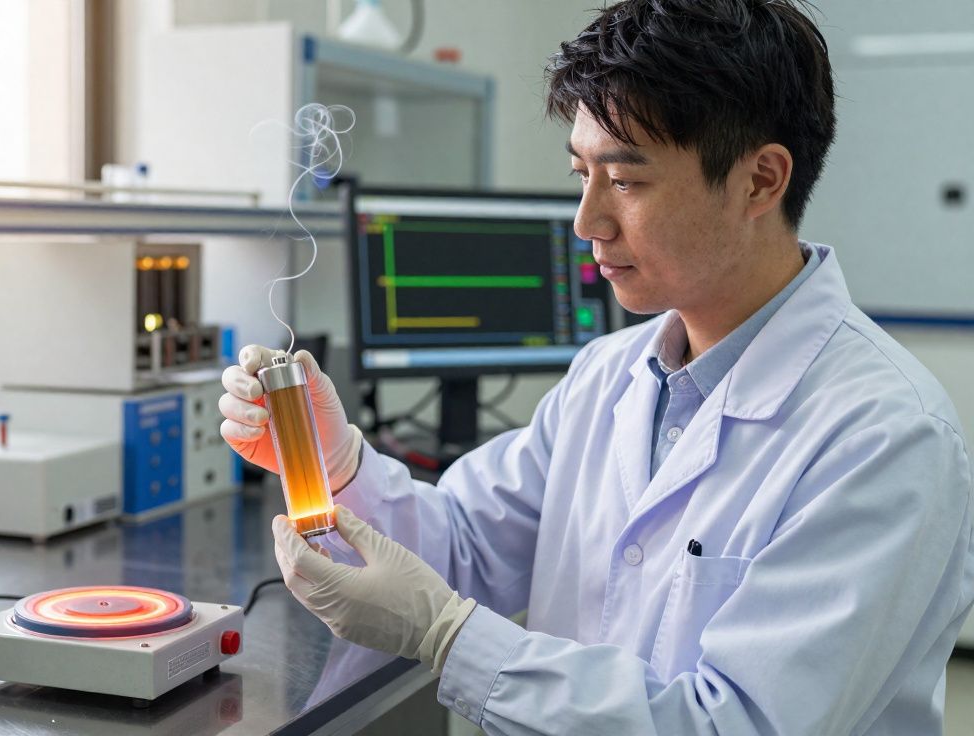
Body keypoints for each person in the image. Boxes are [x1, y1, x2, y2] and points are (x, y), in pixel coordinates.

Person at [219, 0, 974, 732]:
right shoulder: (609, 374)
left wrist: (449, 638)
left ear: (761, 180)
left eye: (625, 180)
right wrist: (335, 461)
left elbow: (735, 724)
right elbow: (463, 545)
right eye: (580, 172)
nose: (586, 221)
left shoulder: (884, 437)